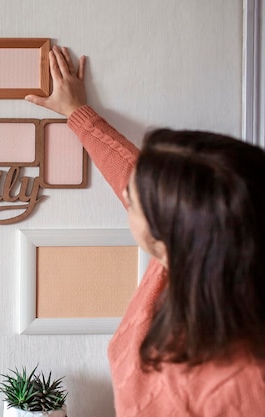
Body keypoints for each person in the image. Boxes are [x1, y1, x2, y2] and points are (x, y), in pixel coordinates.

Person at [26, 44, 265, 416]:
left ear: (170, 233)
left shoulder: (242, 381)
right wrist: (78, 114)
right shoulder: (201, 250)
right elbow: (132, 174)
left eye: (134, 201)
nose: (126, 193)